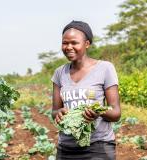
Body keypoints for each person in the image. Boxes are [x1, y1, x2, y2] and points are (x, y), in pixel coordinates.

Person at [51, 21, 121, 160]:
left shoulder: (105, 68)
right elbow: (54, 111)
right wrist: (58, 113)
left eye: (74, 43)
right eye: (65, 43)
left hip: (98, 146)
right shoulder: (59, 73)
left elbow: (116, 112)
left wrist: (98, 112)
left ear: (87, 44)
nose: (68, 47)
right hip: (66, 147)